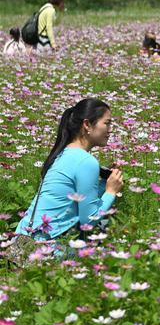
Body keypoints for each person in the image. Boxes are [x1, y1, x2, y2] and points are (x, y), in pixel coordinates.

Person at [14, 98, 124, 257]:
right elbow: (89, 220)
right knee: (108, 255)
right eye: (107, 123)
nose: (110, 129)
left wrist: (104, 184)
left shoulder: (62, 153)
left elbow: (79, 200)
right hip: (45, 248)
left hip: (23, 241)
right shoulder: (86, 162)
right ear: (87, 125)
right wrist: (111, 191)